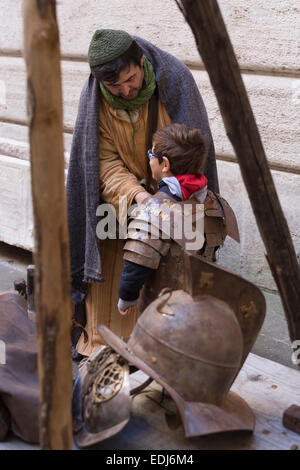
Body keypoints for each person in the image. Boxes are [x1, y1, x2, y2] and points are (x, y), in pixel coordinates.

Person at [66, 29, 219, 357]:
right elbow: (103, 163)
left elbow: (191, 150)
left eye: (130, 79)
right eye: (114, 87)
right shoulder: (96, 99)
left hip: (173, 194)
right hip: (122, 199)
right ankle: (105, 344)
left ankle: (163, 350)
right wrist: (137, 195)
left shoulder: (174, 81)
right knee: (108, 237)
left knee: (168, 256)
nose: (125, 91)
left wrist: (166, 196)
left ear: (141, 62)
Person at [118, 123, 209, 315]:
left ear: (165, 164)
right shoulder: (212, 201)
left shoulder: (157, 208)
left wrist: (127, 298)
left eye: (151, 155)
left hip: (161, 305)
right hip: (197, 303)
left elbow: (138, 260)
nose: (149, 159)